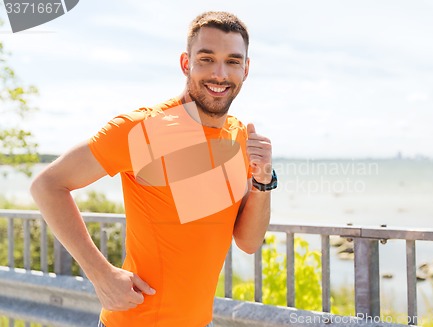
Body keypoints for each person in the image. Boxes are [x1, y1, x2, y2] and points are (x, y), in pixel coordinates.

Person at [30, 11, 277, 327]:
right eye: (206, 59)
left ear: (246, 68)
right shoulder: (140, 129)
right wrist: (100, 273)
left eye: (232, 61)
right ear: (186, 63)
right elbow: (47, 185)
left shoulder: (240, 138)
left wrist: (263, 181)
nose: (220, 73)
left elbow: (248, 241)